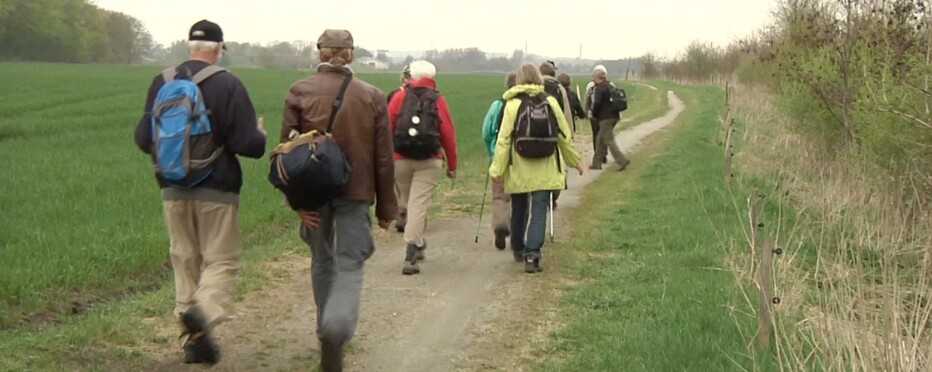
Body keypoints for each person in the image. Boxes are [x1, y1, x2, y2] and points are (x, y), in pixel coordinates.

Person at [134, 19, 267, 365]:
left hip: (172, 189)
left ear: (188, 46)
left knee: (185, 258)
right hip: (218, 189)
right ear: (219, 49)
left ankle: (192, 340)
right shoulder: (227, 84)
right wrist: (260, 133)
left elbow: (142, 139)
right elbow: (248, 145)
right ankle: (203, 314)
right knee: (221, 260)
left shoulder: (161, 82)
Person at [280, 29, 398, 371]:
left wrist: (295, 201)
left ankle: (324, 331)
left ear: (320, 54)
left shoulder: (299, 91)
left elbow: (285, 154)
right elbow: (384, 157)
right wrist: (387, 208)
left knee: (321, 260)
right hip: (356, 192)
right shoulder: (372, 95)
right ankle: (337, 326)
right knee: (350, 262)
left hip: (312, 196)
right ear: (351, 55)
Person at [490, 63, 585, 273]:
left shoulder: (512, 105)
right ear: (539, 79)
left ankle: (517, 247)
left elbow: (504, 140)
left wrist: (497, 170)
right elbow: (564, 136)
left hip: (519, 168)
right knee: (540, 210)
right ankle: (532, 256)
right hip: (546, 166)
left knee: (519, 207)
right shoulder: (550, 102)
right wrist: (574, 161)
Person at [388, 59, 458, 275]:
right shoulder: (438, 99)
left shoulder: (399, 97)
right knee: (418, 205)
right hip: (430, 160)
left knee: (408, 202)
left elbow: (386, 128)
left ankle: (417, 243)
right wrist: (452, 165)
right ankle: (411, 251)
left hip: (400, 159)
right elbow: (448, 134)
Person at [481, 72, 517, 250]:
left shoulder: (498, 105)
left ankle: (500, 224)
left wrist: (492, 152)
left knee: (500, 196)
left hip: (500, 156)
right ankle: (518, 234)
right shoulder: (528, 103)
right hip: (524, 159)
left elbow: (487, 132)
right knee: (520, 197)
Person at [589, 67, 631, 171]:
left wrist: (593, 113)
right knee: (600, 139)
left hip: (605, 118)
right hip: (614, 116)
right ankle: (596, 164)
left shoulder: (599, 88)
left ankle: (622, 161)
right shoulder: (609, 85)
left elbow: (597, 103)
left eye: (594, 77)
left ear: (598, 78)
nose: (593, 80)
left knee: (608, 140)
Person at [387, 64, 412, 233]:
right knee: (416, 184)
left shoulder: (393, 95)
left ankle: (402, 213)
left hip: (397, 146)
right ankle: (411, 214)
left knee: (400, 182)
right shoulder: (429, 95)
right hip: (423, 148)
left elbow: (386, 122)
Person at [586, 65, 608, 164]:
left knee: (596, 134)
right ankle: (602, 155)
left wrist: (587, 112)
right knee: (602, 134)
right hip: (603, 115)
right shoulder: (609, 85)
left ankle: (598, 155)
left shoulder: (590, 86)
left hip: (594, 114)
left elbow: (587, 101)